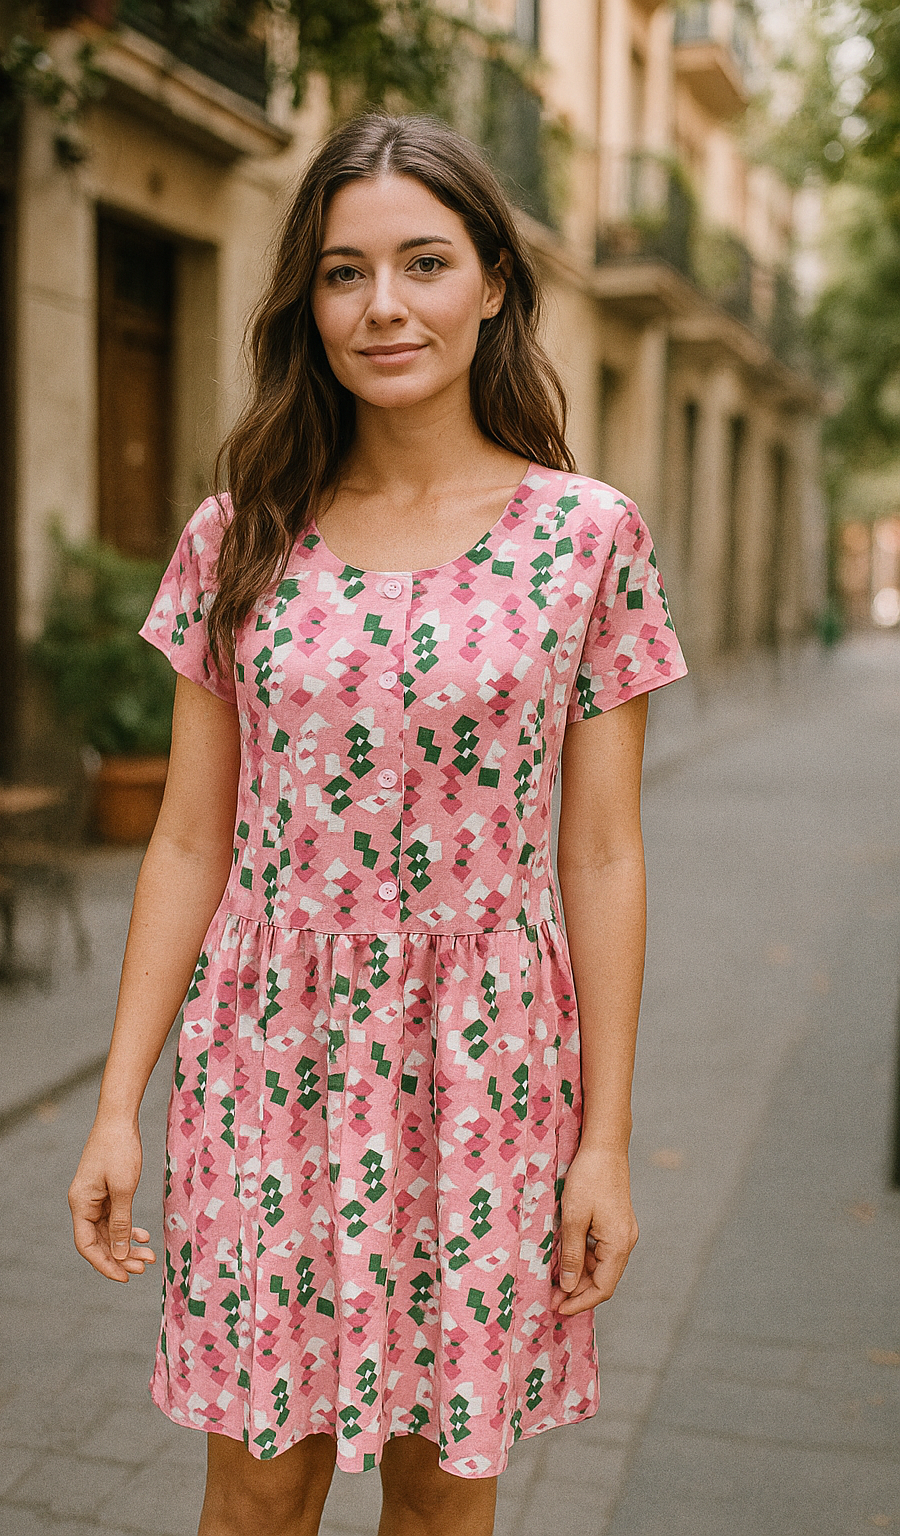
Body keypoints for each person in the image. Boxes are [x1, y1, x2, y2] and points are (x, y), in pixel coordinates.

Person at [68, 111, 688, 1536]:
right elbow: (189, 838)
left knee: (441, 1495)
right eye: (345, 273)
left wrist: (605, 1141)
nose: (384, 306)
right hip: (266, 1059)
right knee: (258, 1490)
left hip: (488, 1073)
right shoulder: (238, 533)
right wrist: (115, 1104)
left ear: (493, 284)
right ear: (309, 300)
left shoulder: (587, 537)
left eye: (425, 262)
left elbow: (603, 853)